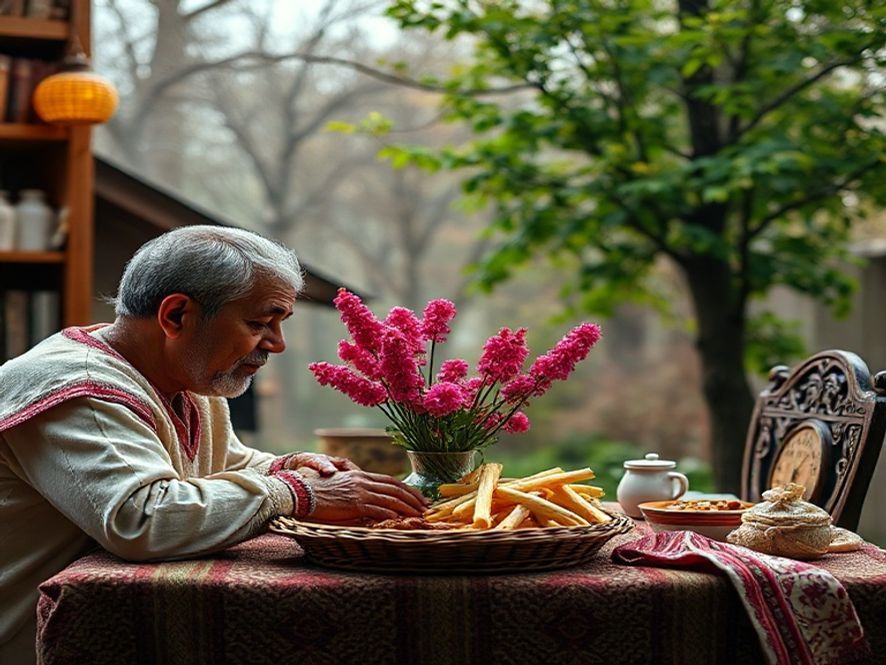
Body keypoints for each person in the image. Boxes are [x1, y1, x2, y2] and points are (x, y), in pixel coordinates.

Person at [0, 225, 426, 665]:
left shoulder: (183, 378)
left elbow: (225, 466)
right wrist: (300, 493)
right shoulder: (80, 389)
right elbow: (143, 517)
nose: (277, 344)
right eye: (260, 322)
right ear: (177, 316)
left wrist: (291, 465)